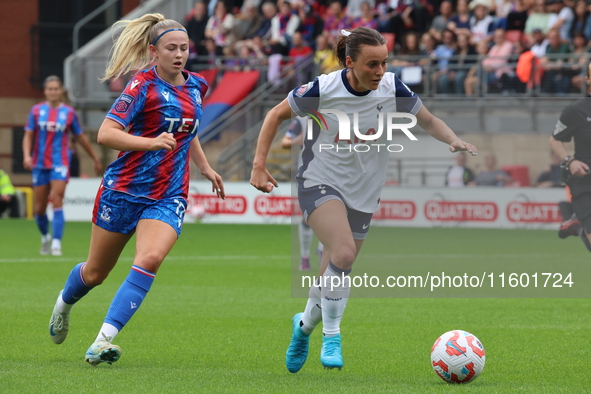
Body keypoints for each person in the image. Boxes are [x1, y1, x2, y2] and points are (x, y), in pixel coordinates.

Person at [250, 27, 477, 372]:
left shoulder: (392, 87)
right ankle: (332, 336)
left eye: (384, 63)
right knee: (343, 253)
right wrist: (258, 166)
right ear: (349, 62)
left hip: (364, 193)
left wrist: (453, 139)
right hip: (319, 182)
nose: (380, 71)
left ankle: (303, 328)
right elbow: (274, 115)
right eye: (372, 64)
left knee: (333, 270)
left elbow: (427, 120)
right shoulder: (322, 89)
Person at [47, 13, 225, 367]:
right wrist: (149, 142)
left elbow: (186, 129)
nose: (179, 54)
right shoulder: (140, 86)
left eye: (185, 48)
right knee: (96, 273)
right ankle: (63, 305)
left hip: (169, 193)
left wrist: (203, 165)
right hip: (124, 190)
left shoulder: (197, 86)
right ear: (153, 51)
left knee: (150, 258)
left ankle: (101, 342)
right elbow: (106, 134)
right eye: (171, 48)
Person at [23, 75, 102, 256]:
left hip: (60, 162)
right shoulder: (36, 111)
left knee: (57, 199)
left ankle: (57, 243)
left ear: (61, 91)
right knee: (40, 208)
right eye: (50, 89)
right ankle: (45, 237)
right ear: (45, 91)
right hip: (40, 164)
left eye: (56, 89)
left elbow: (80, 137)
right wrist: (27, 156)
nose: (53, 92)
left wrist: (94, 158)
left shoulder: (68, 113)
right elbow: (28, 135)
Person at [550, 61, 591, 250]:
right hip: (586, 184)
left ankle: (578, 228)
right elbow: (555, 140)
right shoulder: (576, 110)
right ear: (587, 80)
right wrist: (570, 161)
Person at [280, 117, 324, 271]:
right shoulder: (302, 119)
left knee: (336, 213)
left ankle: (322, 249)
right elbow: (285, 142)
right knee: (308, 216)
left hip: (333, 172)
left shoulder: (337, 113)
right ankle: (305, 257)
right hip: (308, 173)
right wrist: (299, 139)